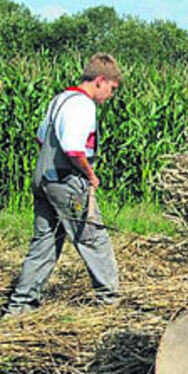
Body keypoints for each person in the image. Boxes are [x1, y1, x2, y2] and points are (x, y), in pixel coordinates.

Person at [3, 53, 122, 317]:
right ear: (100, 81)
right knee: (94, 239)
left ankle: (20, 306)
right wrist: (90, 175)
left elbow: (41, 137)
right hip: (67, 181)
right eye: (111, 89)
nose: (110, 96)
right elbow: (72, 149)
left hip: (44, 178)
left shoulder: (60, 99)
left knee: (44, 243)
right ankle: (109, 302)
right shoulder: (83, 106)